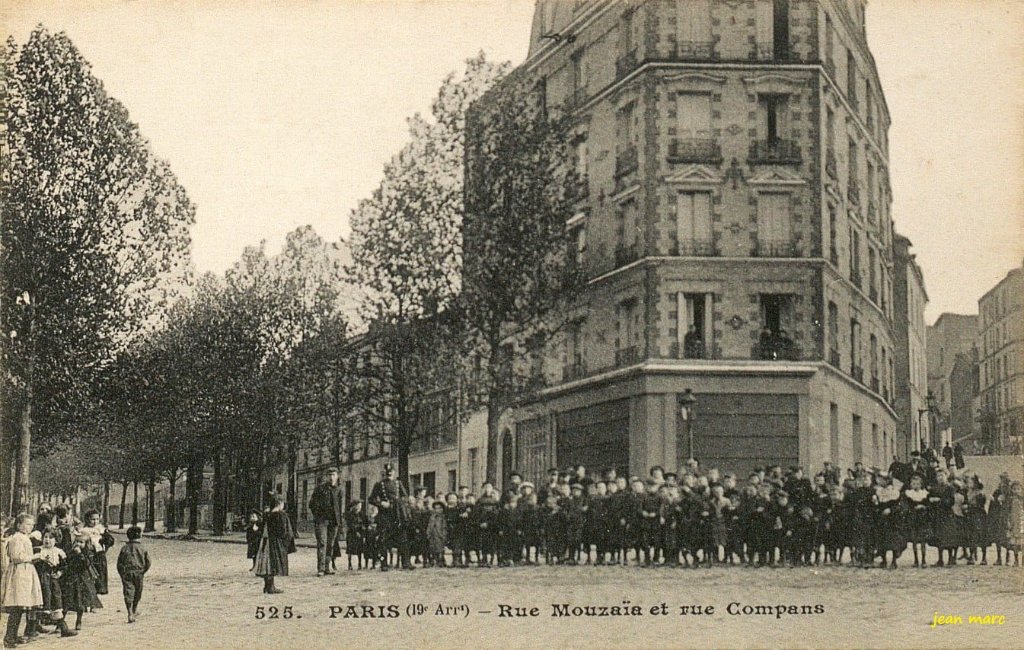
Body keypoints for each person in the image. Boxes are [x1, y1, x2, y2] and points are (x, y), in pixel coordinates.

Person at [3, 514, 44, 646]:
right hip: (19, 573)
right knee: (17, 606)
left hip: (25, 572)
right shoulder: (16, 538)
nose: (30, 527)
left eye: (32, 524)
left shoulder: (24, 537)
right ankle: (9, 638)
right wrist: (34, 556)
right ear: (19, 525)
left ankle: (13, 635)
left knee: (21, 606)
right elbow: (16, 556)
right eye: (27, 524)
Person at [33, 530, 77, 638]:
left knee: (56, 601)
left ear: (56, 540)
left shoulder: (58, 552)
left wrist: (59, 573)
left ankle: (63, 628)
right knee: (38, 602)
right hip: (40, 580)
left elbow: (64, 566)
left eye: (50, 538)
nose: (47, 540)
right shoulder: (38, 550)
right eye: (45, 537)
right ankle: (31, 628)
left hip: (52, 581)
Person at [368, 463, 413, 571]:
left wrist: (399, 502)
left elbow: (406, 497)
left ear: (394, 472)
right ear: (385, 472)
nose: (389, 473)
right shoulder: (379, 484)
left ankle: (406, 563)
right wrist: (381, 503)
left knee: (403, 538)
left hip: (397, 514)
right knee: (383, 539)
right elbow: (371, 499)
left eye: (391, 471)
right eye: (387, 472)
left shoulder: (398, 483)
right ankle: (384, 563)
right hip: (385, 515)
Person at [252, 495, 296, 593]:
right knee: (273, 564)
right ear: (280, 504)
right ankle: (271, 587)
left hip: (265, 542)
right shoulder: (281, 515)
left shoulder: (267, 515)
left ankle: (267, 586)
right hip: (275, 542)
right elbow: (283, 531)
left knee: (266, 564)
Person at [308, 467, 343, 577]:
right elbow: (311, 504)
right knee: (322, 543)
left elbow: (339, 507)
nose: (331, 477)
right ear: (326, 477)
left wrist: (339, 522)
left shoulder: (339, 490)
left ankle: (327, 567)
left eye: (334, 475)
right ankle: (321, 568)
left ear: (337, 476)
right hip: (322, 521)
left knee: (330, 545)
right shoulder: (319, 489)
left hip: (334, 521)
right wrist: (318, 516)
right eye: (329, 475)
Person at [62, 534, 98, 631]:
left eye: (81, 542)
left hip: (82, 580)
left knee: (80, 601)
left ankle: (79, 620)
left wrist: (80, 554)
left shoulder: (88, 553)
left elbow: (87, 564)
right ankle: (61, 623)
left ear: (86, 544)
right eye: (77, 541)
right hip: (71, 578)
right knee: (66, 601)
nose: (78, 544)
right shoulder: (71, 552)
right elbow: (67, 562)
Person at [116, 526, 151, 623]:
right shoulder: (142, 548)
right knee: (138, 592)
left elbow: (119, 563)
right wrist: (144, 570)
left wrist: (121, 573)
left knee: (128, 592)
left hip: (127, 573)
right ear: (140, 535)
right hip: (139, 573)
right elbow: (148, 562)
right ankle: (134, 609)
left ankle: (130, 612)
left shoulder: (124, 548)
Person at [79, 510, 115, 602]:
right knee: (89, 575)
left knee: (99, 575)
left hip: (99, 555)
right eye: (92, 519)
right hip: (88, 554)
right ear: (87, 519)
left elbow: (110, 540)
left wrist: (104, 542)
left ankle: (95, 599)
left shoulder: (101, 529)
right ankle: (89, 599)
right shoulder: (83, 530)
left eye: (97, 519)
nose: (95, 521)